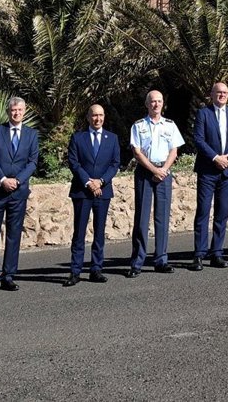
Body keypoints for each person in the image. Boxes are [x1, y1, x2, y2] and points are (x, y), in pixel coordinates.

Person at [0, 96, 39, 294]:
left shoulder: (31, 134)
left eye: (20, 110)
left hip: (18, 192)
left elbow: (32, 162)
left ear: (24, 111)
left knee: (14, 236)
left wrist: (17, 180)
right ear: (8, 111)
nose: (16, 113)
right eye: (13, 110)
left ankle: (9, 275)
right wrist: (3, 179)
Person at [128, 90, 185, 277]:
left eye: (159, 101)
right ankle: (137, 262)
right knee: (142, 219)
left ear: (163, 104)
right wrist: (154, 170)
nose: (156, 104)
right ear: (147, 104)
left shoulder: (170, 125)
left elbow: (174, 150)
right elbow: (137, 152)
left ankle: (161, 260)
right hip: (145, 172)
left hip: (164, 172)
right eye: (153, 101)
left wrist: (163, 170)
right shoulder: (138, 126)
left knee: (162, 218)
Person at [188, 82, 228, 270]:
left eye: (225, 92)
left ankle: (217, 252)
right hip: (208, 170)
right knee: (203, 211)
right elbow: (198, 139)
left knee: (222, 213)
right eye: (219, 92)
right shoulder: (204, 113)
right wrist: (214, 158)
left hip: (227, 170)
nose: (222, 95)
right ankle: (199, 254)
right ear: (212, 94)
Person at [66, 103, 121, 285]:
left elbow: (115, 164)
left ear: (104, 117)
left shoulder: (112, 138)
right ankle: (75, 271)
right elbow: (74, 163)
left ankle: (96, 269)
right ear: (88, 117)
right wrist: (89, 182)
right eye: (94, 115)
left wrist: (101, 182)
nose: (98, 119)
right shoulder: (78, 138)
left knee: (99, 232)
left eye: (101, 115)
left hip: (103, 192)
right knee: (79, 232)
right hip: (82, 191)